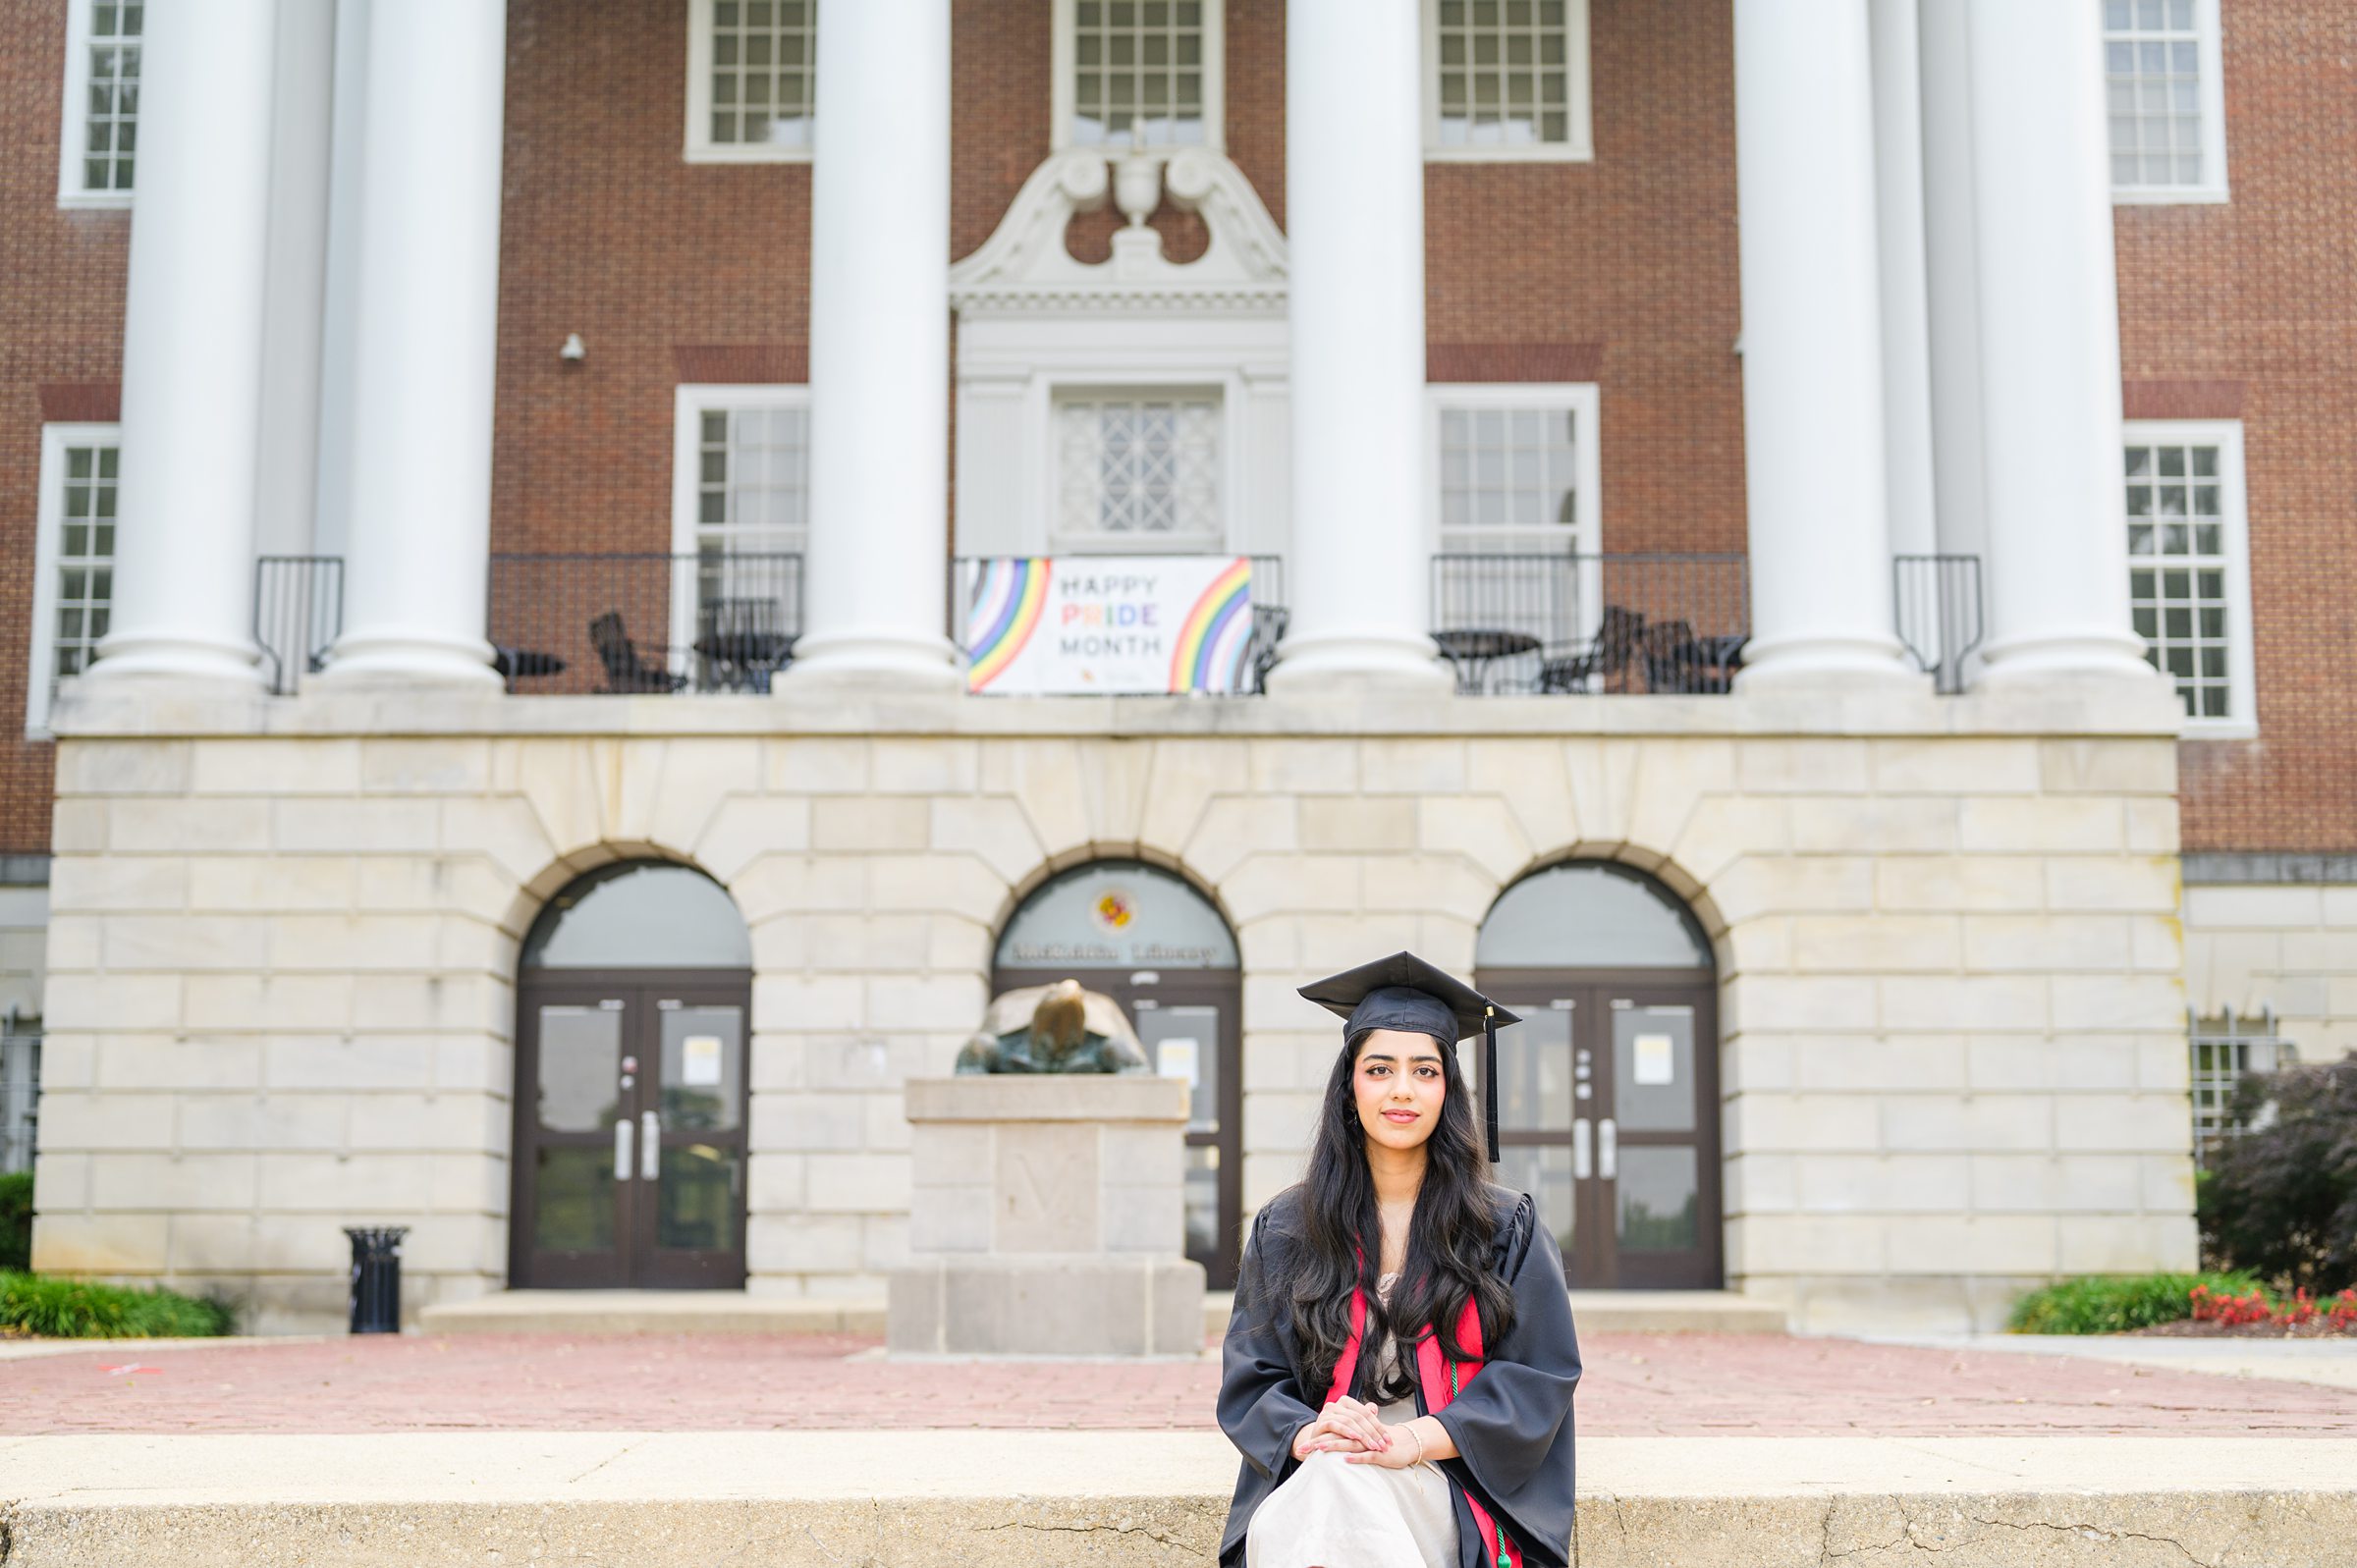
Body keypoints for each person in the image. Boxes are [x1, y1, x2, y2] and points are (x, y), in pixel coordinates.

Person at [1217, 952, 1581, 1568]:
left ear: (1449, 1090)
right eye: (1380, 1069)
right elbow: (1254, 1376)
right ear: (1350, 1089)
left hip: (1450, 1481)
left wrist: (1407, 1441)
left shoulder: (1502, 1227)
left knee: (1335, 1489)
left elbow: (1536, 1380)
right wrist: (1312, 1433)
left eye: (1425, 1070)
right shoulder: (1287, 1230)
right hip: (1323, 1471)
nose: (1402, 1090)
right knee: (1334, 1478)